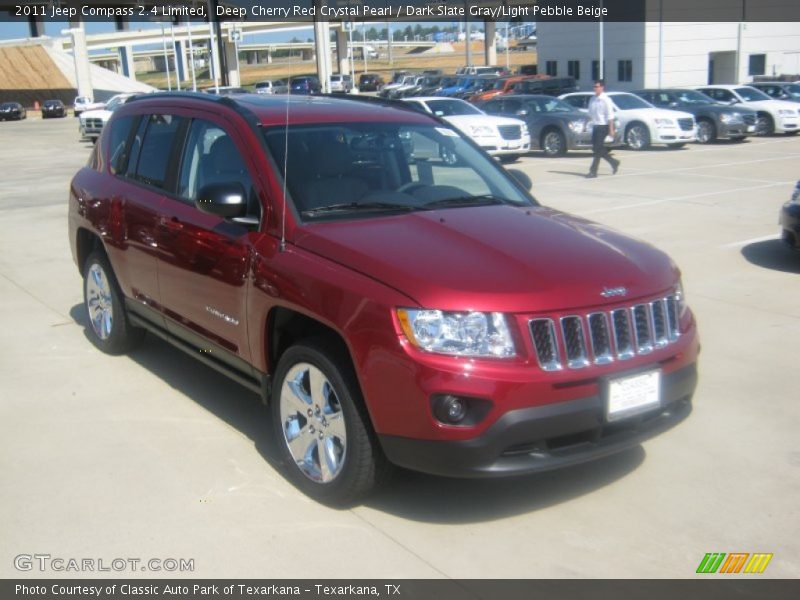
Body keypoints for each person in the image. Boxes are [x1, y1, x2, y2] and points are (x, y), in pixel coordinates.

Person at [587, 79, 620, 178]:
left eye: (597, 87)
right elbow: (590, 113)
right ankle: (613, 162)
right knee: (596, 148)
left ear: (602, 87)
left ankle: (593, 171)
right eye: (594, 87)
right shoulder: (592, 99)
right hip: (596, 126)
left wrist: (611, 130)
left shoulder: (606, 100)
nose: (595, 88)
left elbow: (610, 116)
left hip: (604, 126)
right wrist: (586, 124)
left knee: (597, 149)